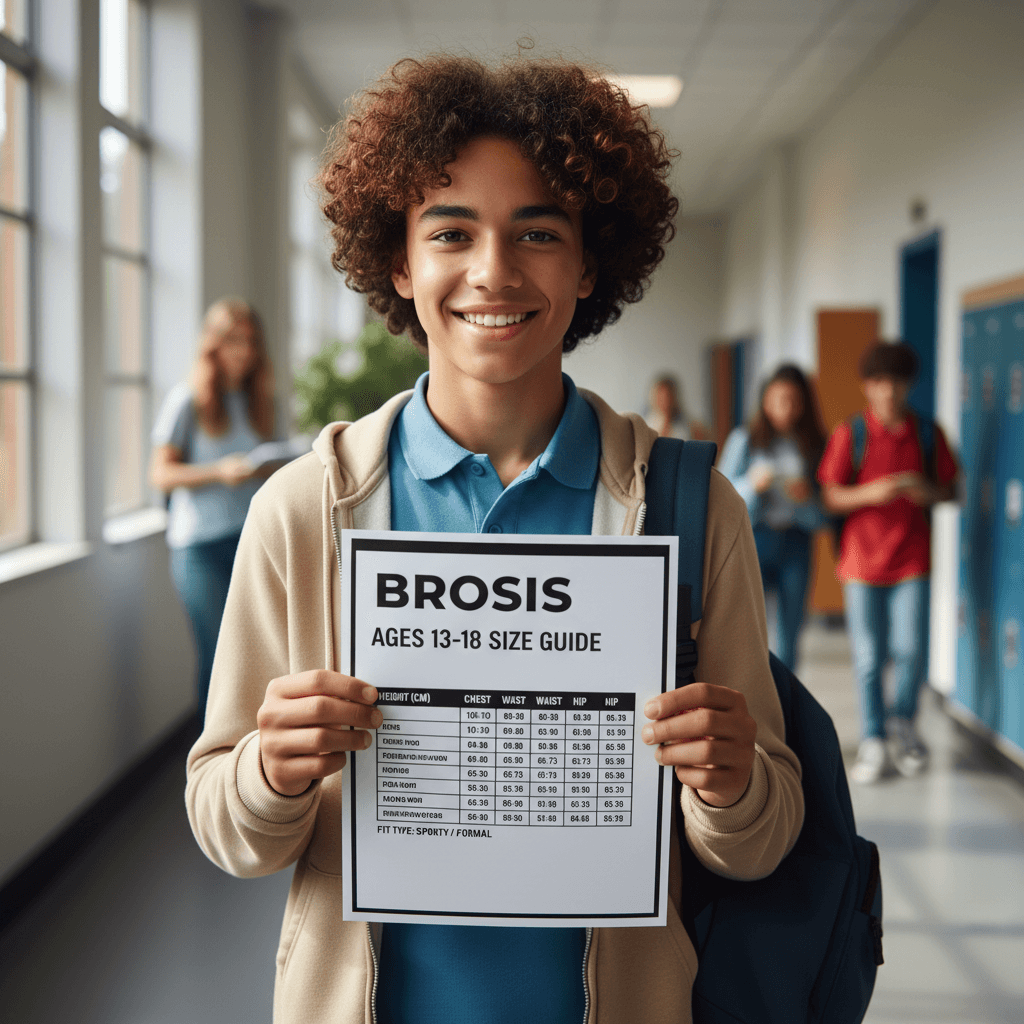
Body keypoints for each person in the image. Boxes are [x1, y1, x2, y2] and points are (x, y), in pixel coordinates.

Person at [185, 55, 803, 1024]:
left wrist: (729, 783)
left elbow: (760, 841)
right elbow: (229, 832)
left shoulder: (687, 508)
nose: (493, 271)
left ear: (590, 262)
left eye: (538, 233)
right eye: (451, 232)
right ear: (398, 261)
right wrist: (269, 770)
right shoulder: (305, 510)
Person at [818, 341, 958, 784]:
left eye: (896, 382)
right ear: (867, 386)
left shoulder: (926, 434)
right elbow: (830, 495)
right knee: (868, 655)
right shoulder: (851, 433)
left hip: (912, 559)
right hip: (861, 562)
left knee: (911, 649)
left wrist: (925, 490)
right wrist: (870, 493)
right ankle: (874, 737)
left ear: (908, 384)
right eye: (879, 382)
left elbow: (953, 490)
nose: (889, 391)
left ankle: (904, 726)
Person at [150, 297, 276, 713]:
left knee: (253, 654)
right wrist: (219, 472)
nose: (243, 351)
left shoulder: (254, 401)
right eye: (233, 340)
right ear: (214, 345)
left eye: (251, 341)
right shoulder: (185, 401)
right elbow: (161, 474)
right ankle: (208, 767)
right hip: (200, 547)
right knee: (218, 654)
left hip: (249, 540)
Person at [718, 364, 829, 671]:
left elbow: (824, 515)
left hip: (796, 540)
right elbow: (722, 493)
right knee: (748, 628)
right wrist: (753, 485)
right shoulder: (745, 439)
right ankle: (753, 698)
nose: (787, 408)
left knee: (791, 631)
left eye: (794, 400)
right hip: (754, 538)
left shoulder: (814, 444)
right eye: (779, 399)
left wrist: (806, 498)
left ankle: (786, 704)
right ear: (765, 401)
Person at [645, 373, 709, 440]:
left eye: (668, 396)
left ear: (675, 397)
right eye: (661, 397)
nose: (665, 402)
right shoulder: (647, 425)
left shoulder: (691, 426)